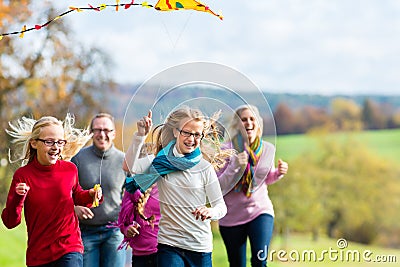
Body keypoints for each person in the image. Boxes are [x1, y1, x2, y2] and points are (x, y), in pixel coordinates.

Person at [124, 107, 228, 267]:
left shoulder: (204, 168)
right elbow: (131, 167)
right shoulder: (160, 162)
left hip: (199, 247)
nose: (191, 139)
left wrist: (210, 211)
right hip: (169, 244)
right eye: (186, 132)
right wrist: (140, 136)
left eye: (197, 135)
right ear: (175, 131)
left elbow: (221, 207)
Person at [1, 114, 102, 267]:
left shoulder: (70, 169)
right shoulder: (23, 175)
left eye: (60, 142)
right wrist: (17, 197)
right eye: (49, 142)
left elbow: (77, 196)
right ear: (34, 143)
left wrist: (91, 195)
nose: (56, 147)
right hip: (39, 255)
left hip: (69, 247)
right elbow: (10, 222)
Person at [217, 105, 289, 267]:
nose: (248, 122)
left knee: (260, 260)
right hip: (231, 217)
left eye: (252, 119)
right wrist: (234, 166)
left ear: (258, 123)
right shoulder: (225, 151)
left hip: (260, 211)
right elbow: (219, 186)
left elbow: (265, 179)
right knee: (237, 264)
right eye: (243, 119)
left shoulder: (267, 149)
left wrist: (278, 173)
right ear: (237, 125)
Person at [71, 113, 126, 267]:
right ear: (91, 133)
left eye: (107, 130)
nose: (102, 134)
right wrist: (75, 208)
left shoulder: (124, 160)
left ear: (114, 133)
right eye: (97, 130)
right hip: (86, 231)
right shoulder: (78, 159)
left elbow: (132, 195)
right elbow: (66, 193)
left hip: (114, 231)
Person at [116, 140, 161, 267]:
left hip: (162, 252)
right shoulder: (131, 190)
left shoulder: (164, 188)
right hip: (139, 255)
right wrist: (127, 229)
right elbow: (123, 222)